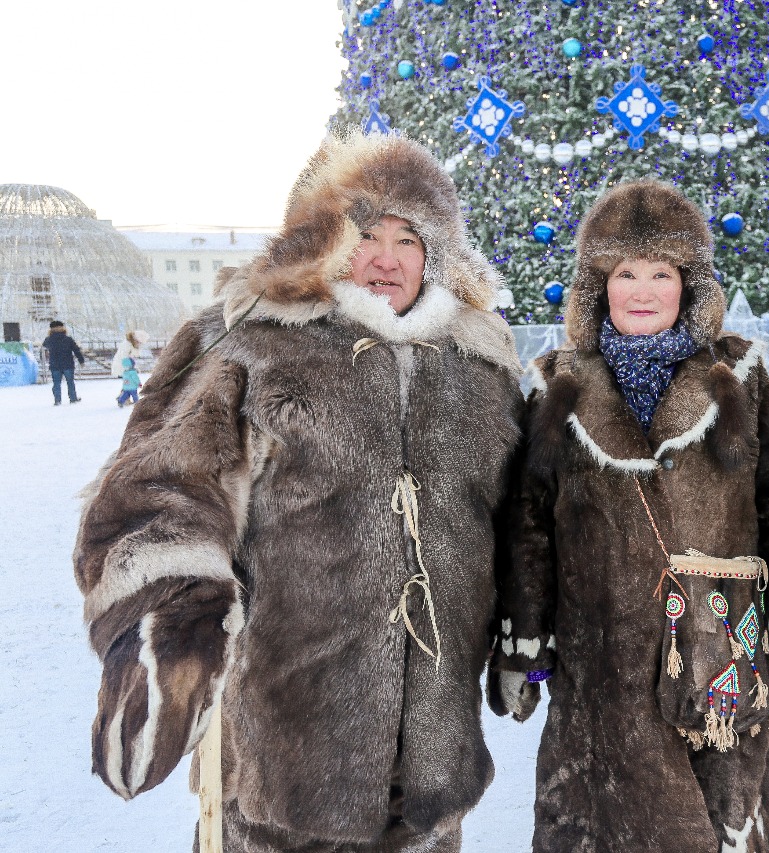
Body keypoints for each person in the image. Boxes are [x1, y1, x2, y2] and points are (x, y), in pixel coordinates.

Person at [73, 130, 524, 852]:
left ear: (436, 252)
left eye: (408, 237)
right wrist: (175, 631)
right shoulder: (251, 343)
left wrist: (522, 625)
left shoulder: (480, 367)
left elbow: (513, 522)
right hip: (281, 757)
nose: (385, 256)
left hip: (430, 773)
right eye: (364, 231)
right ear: (325, 241)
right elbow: (160, 492)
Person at [489, 180, 769, 852]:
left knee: (719, 816)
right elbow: (529, 526)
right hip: (597, 665)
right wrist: (526, 638)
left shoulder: (741, 376)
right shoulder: (557, 386)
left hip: (718, 654)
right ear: (596, 286)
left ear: (689, 285)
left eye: (660, 273)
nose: (642, 289)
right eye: (624, 272)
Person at [41, 319, 84, 405]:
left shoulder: (48, 339)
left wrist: (43, 359)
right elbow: (76, 350)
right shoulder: (68, 339)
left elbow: (42, 350)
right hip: (68, 364)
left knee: (56, 383)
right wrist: (81, 360)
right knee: (70, 382)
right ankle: (73, 398)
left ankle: (57, 400)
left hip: (55, 365)